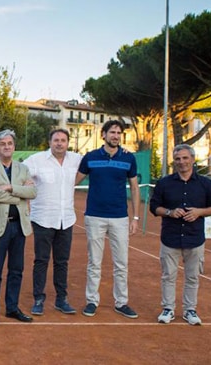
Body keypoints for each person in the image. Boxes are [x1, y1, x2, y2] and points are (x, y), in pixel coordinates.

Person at [75, 120, 140, 319]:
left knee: (121, 263)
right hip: (94, 216)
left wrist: (135, 217)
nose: (116, 136)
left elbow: (135, 188)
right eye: (112, 132)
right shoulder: (90, 157)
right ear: (103, 134)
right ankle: (92, 301)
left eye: (119, 133)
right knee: (94, 262)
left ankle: (121, 302)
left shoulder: (129, 158)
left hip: (120, 217)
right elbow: (73, 182)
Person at [149, 144, 211, 325]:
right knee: (168, 276)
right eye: (178, 159)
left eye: (185, 158)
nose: (182, 162)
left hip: (194, 238)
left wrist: (198, 212)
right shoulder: (164, 183)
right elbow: (154, 207)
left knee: (192, 277)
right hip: (170, 238)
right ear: (174, 161)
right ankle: (168, 308)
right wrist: (170, 212)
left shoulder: (206, 184)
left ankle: (190, 310)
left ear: (192, 160)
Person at [0, 129, 36, 327]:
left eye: (9, 143)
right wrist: (22, 194)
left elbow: (33, 192)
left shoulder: (23, 168)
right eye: (2, 144)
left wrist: (12, 188)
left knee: (16, 269)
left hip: (19, 227)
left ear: (14, 146)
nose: (6, 147)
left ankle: (12, 307)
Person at [23, 129, 81, 316]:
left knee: (62, 261)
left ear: (67, 143)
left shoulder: (76, 159)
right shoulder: (36, 160)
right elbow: (20, 173)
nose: (59, 143)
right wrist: (27, 185)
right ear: (50, 142)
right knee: (41, 260)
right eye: (56, 140)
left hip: (67, 219)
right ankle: (38, 299)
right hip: (42, 219)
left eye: (63, 140)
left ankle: (61, 299)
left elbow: (98, 161)